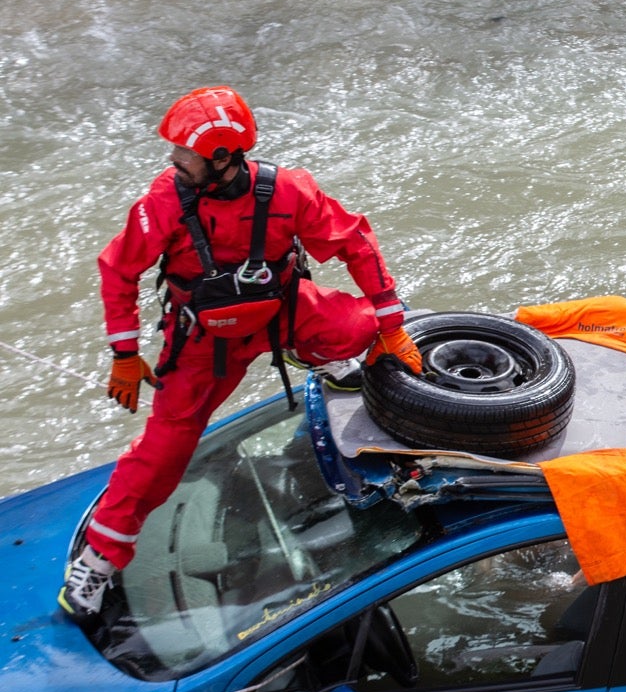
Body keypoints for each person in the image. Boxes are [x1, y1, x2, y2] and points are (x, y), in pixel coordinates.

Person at [60, 86, 424, 619]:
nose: (172, 161)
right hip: (204, 341)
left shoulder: (290, 192)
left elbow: (355, 242)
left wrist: (391, 327)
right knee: (162, 453)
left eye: (183, 154)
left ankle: (319, 350)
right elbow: (119, 269)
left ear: (223, 159)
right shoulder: (163, 202)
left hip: (279, 309)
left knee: (366, 325)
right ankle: (100, 559)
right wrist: (123, 351)